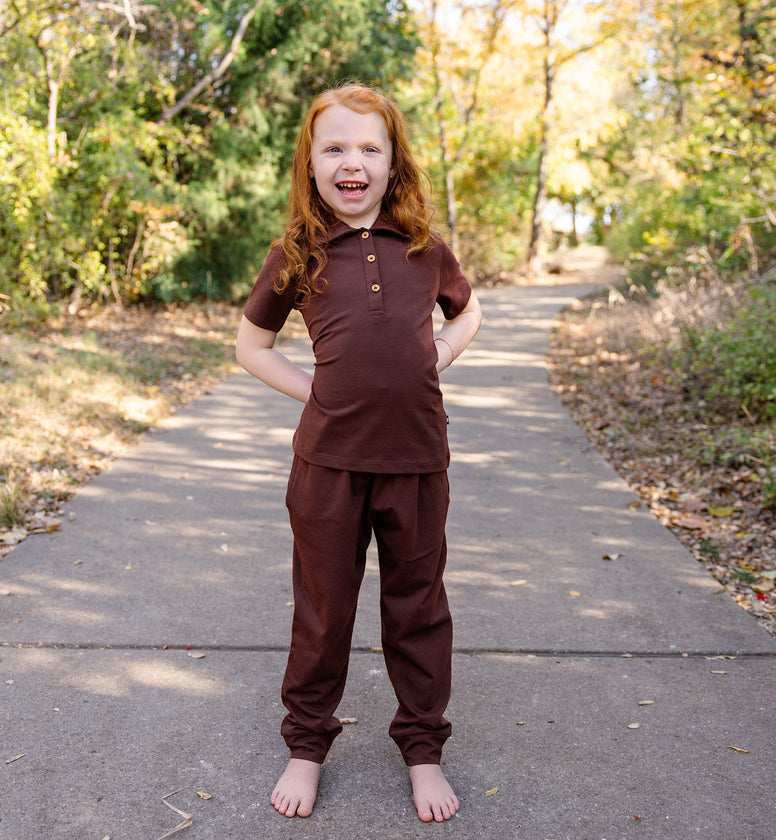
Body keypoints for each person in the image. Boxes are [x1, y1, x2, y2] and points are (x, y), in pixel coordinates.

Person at [235, 83, 481, 823]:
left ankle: (423, 749)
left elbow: (470, 312)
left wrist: (437, 352)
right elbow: (251, 347)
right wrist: (312, 390)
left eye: (370, 148)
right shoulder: (297, 251)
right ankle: (307, 745)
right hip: (328, 468)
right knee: (323, 609)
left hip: (416, 464)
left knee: (417, 608)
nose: (353, 162)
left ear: (393, 162)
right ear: (310, 164)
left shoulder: (424, 249)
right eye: (335, 147)